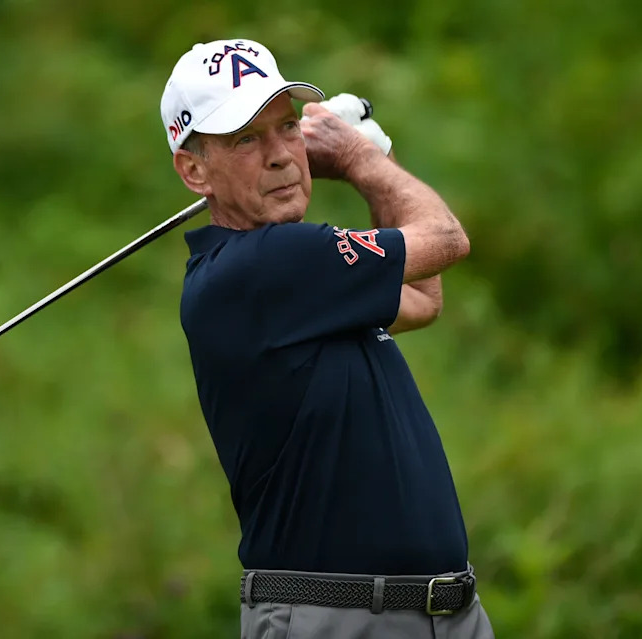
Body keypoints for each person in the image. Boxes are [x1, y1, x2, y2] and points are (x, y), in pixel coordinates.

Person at [161, 38, 495, 638]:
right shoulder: (264, 266)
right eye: (245, 139)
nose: (281, 156)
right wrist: (364, 159)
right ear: (193, 169)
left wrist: (368, 165)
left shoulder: (294, 273)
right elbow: (445, 238)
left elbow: (423, 298)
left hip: (442, 612)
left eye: (288, 128)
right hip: (334, 616)